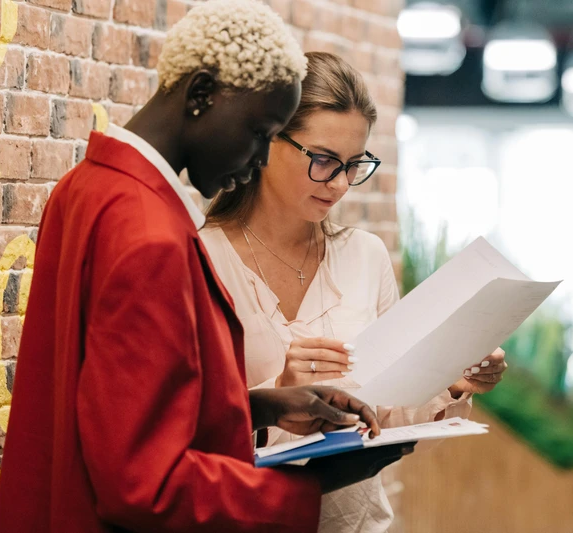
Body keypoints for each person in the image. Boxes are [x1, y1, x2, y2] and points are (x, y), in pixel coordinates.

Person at [0, 4, 413, 532]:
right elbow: (144, 486)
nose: (258, 157)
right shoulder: (152, 234)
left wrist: (258, 406)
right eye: (259, 131)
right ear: (200, 95)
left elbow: (114, 408)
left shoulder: (85, 187)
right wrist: (313, 485)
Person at [201, 51, 509, 533]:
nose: (341, 184)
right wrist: (278, 396)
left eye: (354, 163)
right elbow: (183, 436)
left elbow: (388, 417)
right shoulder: (202, 259)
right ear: (266, 140)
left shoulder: (365, 257)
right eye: (323, 161)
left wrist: (453, 380)